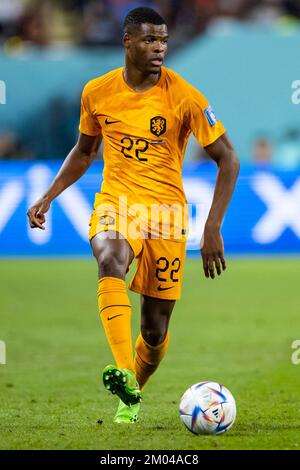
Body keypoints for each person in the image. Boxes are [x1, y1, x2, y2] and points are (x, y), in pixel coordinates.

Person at [27, 7, 240, 424]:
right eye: (149, 40)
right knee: (110, 258)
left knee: (155, 330)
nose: (159, 48)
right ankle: (124, 372)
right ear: (127, 42)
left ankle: (132, 393)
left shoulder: (185, 96)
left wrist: (212, 226)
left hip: (166, 213)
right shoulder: (97, 92)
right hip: (117, 202)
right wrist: (49, 195)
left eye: (163, 40)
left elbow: (228, 158)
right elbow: (85, 151)